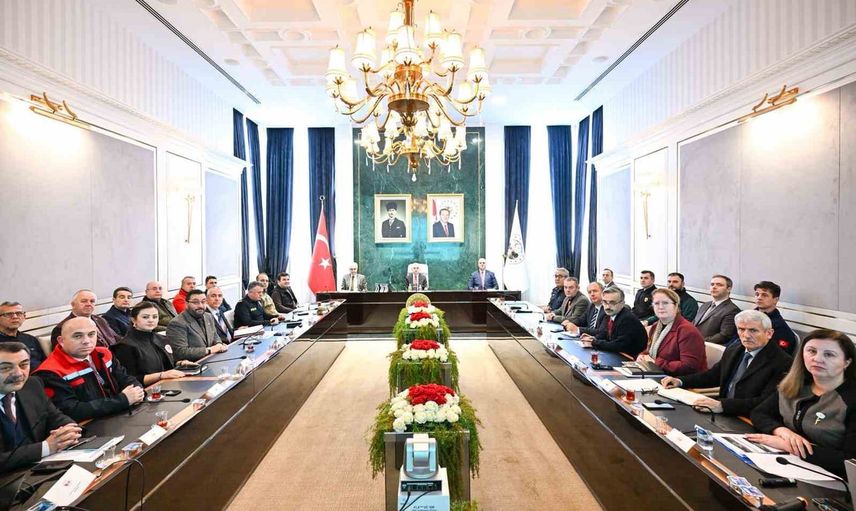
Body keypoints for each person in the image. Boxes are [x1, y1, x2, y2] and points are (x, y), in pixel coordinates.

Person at [748, 329, 856, 478]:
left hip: (834, 478)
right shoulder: (795, 384)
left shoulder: (851, 400)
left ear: (847, 362)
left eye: (829, 354)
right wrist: (782, 431)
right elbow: (759, 413)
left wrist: (787, 445)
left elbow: (850, 461)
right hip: (791, 465)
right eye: (812, 351)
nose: (817, 359)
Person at [661, 310, 792, 417]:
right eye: (741, 329)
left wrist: (722, 405)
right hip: (724, 413)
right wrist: (680, 381)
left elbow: (765, 402)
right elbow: (713, 376)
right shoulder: (734, 349)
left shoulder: (782, 362)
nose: (746, 335)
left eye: (753, 330)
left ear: (769, 333)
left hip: (749, 418)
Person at [34, 317, 144, 421]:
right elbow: (71, 410)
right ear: (61, 341)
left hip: (119, 414)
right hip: (88, 425)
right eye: (78, 336)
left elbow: (126, 378)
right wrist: (123, 400)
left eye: (91, 334)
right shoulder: (50, 372)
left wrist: (137, 391)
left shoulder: (104, 353)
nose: (86, 341)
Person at [0, 342, 81, 471]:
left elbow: (56, 418)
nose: (18, 373)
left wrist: (68, 431)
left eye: (23, 365)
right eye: (5, 368)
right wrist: (46, 447)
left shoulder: (32, 385)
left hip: (38, 469)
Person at [112, 302, 192, 385]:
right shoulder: (125, 346)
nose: (151, 320)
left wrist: (181, 363)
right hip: (147, 389)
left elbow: (168, 363)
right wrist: (161, 375)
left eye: (155, 317)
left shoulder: (162, 338)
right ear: (134, 320)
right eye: (145, 317)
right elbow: (130, 379)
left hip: (170, 384)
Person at [636, 288, 706, 376]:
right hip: (657, 373)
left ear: (676, 306)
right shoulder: (655, 326)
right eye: (656, 303)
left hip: (680, 380)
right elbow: (649, 351)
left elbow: (689, 366)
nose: (661, 307)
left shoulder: (687, 330)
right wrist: (642, 356)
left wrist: (656, 362)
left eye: (665, 303)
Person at [580, 287, 647, 358]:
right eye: (605, 302)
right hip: (617, 354)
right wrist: (593, 339)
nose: (607, 307)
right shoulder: (610, 314)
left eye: (612, 303)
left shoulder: (627, 319)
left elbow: (619, 345)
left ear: (622, 303)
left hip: (630, 358)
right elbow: (604, 333)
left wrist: (594, 343)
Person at [165, 290, 227, 362]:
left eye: (203, 302)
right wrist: (209, 350)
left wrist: (219, 345)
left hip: (212, 360)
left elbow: (215, 336)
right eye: (195, 302)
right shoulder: (177, 323)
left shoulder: (208, 316)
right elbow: (180, 352)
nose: (200, 306)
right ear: (186, 304)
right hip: (192, 364)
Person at [50, 290, 120, 348]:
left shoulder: (100, 320)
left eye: (92, 301)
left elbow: (117, 338)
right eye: (84, 301)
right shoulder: (62, 328)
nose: (89, 304)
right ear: (73, 304)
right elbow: (62, 354)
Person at [693, 274, 740, 345]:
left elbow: (724, 335)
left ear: (728, 289)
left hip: (708, 347)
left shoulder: (732, 310)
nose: (714, 287)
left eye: (719, 285)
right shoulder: (705, 305)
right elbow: (694, 323)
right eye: (712, 284)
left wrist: (700, 341)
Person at [754, 281, 798, 355]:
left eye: (764, 295)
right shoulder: (747, 317)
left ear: (775, 300)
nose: (759, 297)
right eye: (757, 294)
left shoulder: (780, 328)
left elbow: (779, 356)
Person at [0, 302, 47, 370]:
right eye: (9, 314)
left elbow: (45, 363)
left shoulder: (31, 339)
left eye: (19, 313)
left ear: (24, 317)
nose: (15, 317)